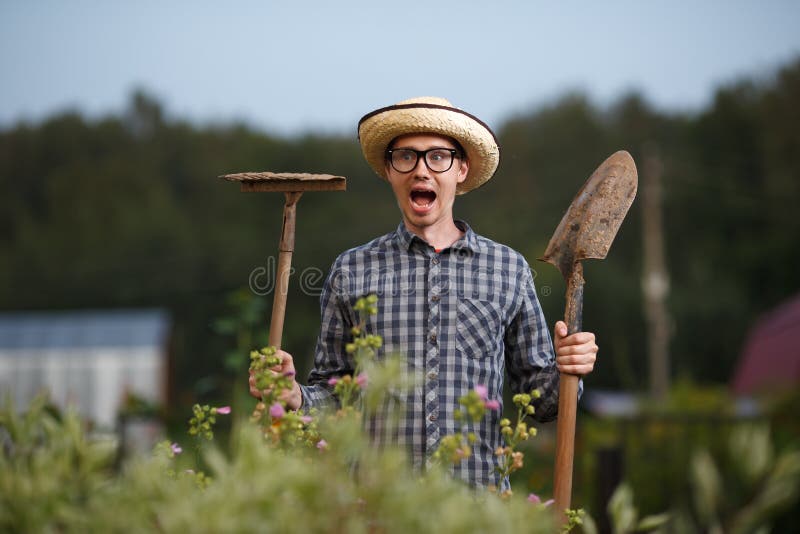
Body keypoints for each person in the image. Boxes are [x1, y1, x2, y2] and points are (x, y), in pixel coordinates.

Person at [249, 96, 598, 489]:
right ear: (388, 169)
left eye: (438, 157)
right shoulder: (352, 270)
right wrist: (293, 395)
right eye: (406, 157)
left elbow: (544, 403)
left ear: (461, 169)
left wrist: (570, 370)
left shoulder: (509, 269)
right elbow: (336, 401)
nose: (421, 170)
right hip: (382, 508)